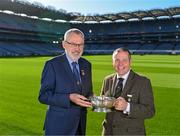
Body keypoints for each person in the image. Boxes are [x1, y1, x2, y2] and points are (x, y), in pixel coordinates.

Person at [38, 28, 93, 135]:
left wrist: (93, 98)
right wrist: (68, 98)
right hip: (58, 126)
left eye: (80, 44)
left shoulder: (87, 64)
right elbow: (43, 96)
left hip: (80, 126)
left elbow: (88, 91)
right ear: (64, 44)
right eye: (73, 44)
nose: (77, 48)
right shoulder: (52, 65)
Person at [100, 47, 155, 135]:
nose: (120, 64)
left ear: (130, 61)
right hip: (108, 132)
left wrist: (127, 107)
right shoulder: (107, 80)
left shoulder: (143, 82)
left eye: (124, 60)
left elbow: (150, 111)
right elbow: (103, 104)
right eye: (117, 60)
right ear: (113, 62)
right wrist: (98, 102)